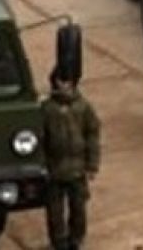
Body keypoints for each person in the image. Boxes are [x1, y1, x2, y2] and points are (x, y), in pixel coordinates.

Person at [43, 69, 101, 250]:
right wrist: (42, 165)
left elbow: (92, 135)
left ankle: (76, 239)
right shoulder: (46, 109)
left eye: (67, 81)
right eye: (60, 81)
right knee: (55, 212)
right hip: (54, 169)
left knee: (78, 209)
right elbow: (40, 137)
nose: (64, 85)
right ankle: (58, 241)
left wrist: (92, 165)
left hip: (77, 169)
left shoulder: (83, 107)